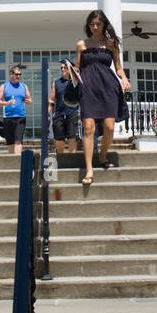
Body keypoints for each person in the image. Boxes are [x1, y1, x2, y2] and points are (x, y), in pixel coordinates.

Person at [75, 10, 130, 185]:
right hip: (88, 88)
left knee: (109, 127)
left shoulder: (111, 44)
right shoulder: (82, 45)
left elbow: (119, 67)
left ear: (104, 25)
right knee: (89, 128)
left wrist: (124, 78)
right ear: (88, 25)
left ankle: (103, 156)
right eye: (92, 24)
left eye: (98, 24)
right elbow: (77, 68)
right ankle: (89, 169)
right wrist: (71, 72)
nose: (95, 27)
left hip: (108, 87)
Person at [0, 64, 33, 155]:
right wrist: (7, 103)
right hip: (8, 117)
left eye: (19, 74)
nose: (18, 76)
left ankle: (17, 161)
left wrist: (27, 101)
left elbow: (30, 100)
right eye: (16, 74)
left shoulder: (23, 86)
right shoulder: (4, 86)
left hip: (20, 117)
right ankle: (12, 161)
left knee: (18, 140)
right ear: (11, 74)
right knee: (10, 142)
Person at [49, 60, 82, 154]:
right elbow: (51, 100)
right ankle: (61, 158)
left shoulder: (76, 82)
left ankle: (72, 160)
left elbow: (81, 99)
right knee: (59, 140)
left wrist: (82, 114)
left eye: (65, 67)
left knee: (72, 138)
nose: (63, 69)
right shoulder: (56, 83)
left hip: (73, 114)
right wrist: (47, 112)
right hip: (59, 114)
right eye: (61, 68)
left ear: (70, 69)